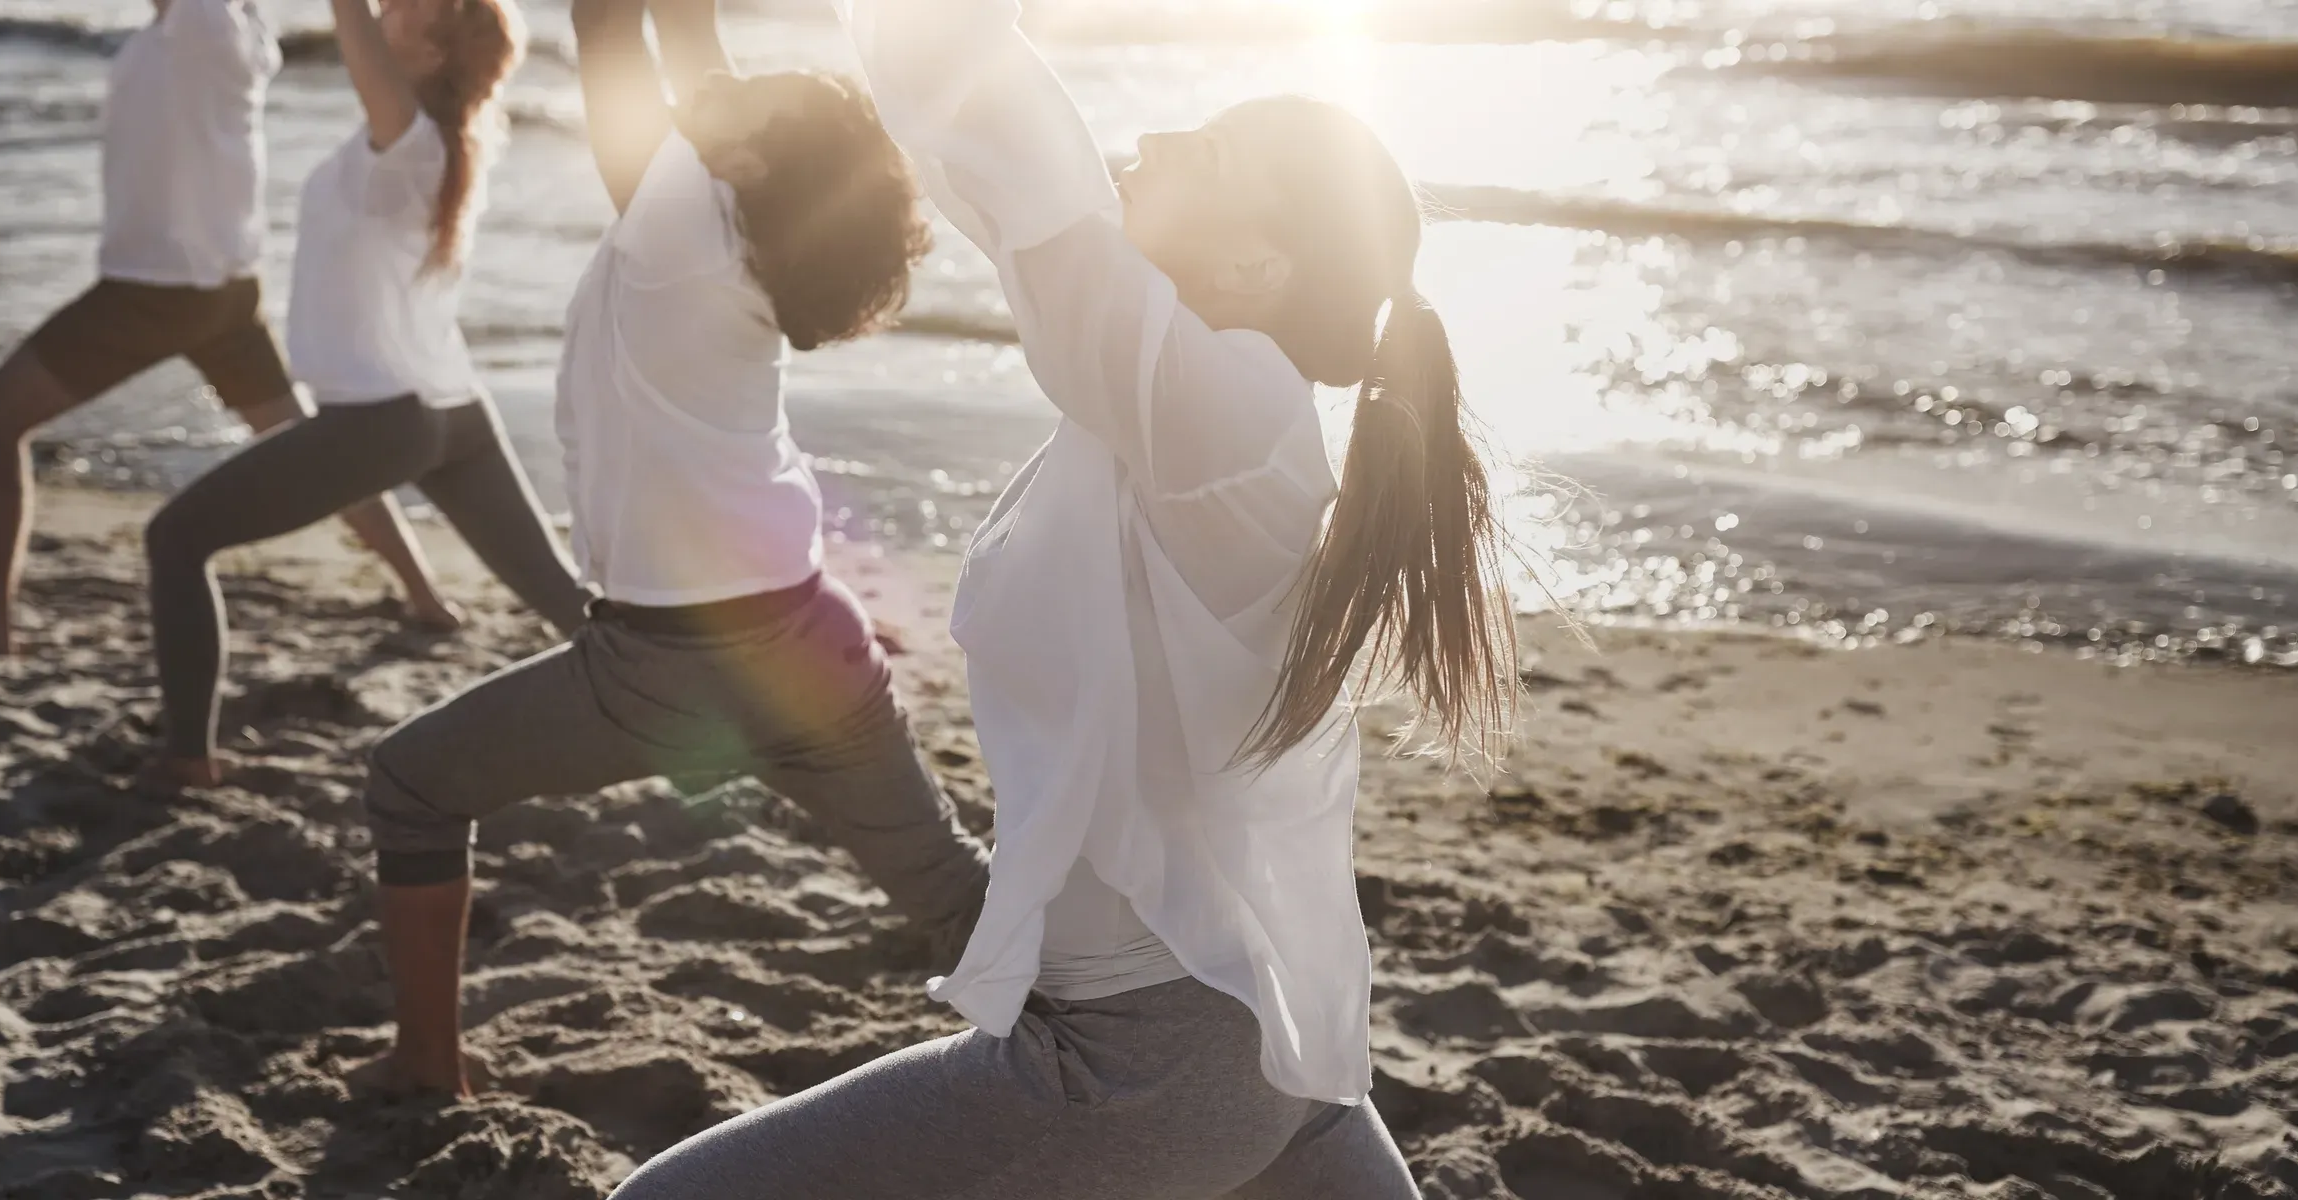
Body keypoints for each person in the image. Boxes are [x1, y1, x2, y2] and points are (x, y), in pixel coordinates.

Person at [603, 0, 1540, 1195]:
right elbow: (1008, 194)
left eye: (1210, 152)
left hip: (1142, 1068)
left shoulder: (1229, 419)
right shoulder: (1194, 417)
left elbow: (1016, 157)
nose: (1153, 141)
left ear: (1256, 267)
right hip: (1266, 1038)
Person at [345, 0, 990, 1098]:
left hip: (667, 667)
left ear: (746, 160)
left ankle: (424, 1066)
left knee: (409, 785)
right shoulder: (748, 231)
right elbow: (693, 50)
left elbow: (610, 27)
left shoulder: (678, 225)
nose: (719, 90)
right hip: (812, 638)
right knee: (952, 888)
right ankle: (1133, 1030)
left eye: (746, 103)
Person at [140, 0, 592, 790]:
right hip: (452, 408)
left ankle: (186, 760)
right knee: (563, 598)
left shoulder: (411, 141)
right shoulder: (444, 140)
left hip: (386, 420)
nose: (391, 5)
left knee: (175, 540)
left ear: (431, 54)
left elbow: (349, 16)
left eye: (412, 6)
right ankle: (712, 719)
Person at [0, 0, 459, 658]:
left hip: (155, 291)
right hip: (224, 291)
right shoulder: (227, 26)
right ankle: (424, 594)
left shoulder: (205, 21)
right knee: (314, 449)